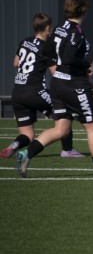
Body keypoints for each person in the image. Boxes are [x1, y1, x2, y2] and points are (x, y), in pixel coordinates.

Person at [16, 0, 93, 178]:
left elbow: (46, 51)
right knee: (92, 127)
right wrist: (85, 65)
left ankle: (27, 153)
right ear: (83, 10)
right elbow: (68, 58)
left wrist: (60, 66)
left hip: (57, 83)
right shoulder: (76, 31)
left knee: (61, 129)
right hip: (73, 85)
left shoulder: (59, 28)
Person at [0, 13, 83, 159]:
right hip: (34, 91)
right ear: (48, 27)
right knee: (65, 113)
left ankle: (14, 146)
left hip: (17, 92)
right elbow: (54, 72)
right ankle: (67, 150)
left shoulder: (25, 41)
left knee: (27, 134)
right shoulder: (47, 47)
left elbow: (15, 63)